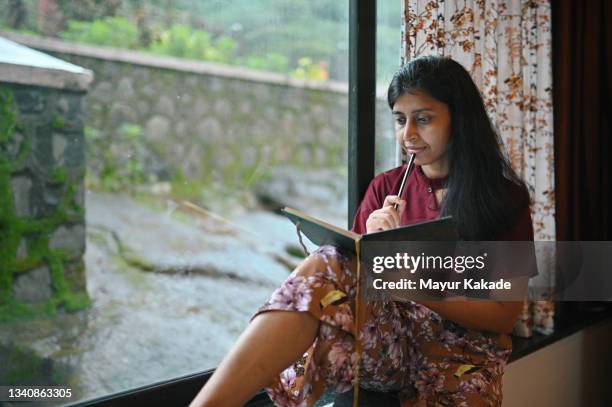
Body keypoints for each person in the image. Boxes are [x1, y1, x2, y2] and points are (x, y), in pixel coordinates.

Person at [189, 56, 534, 407]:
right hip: (393, 345)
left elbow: (503, 314)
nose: (408, 134)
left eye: (424, 119)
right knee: (326, 263)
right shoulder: (385, 189)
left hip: (465, 355)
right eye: (400, 120)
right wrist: (370, 246)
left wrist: (405, 277)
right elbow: (355, 289)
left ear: (459, 120)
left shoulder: (503, 198)